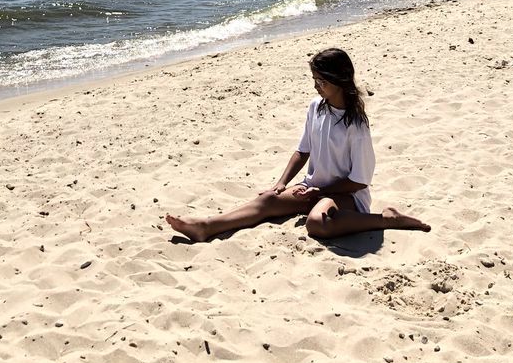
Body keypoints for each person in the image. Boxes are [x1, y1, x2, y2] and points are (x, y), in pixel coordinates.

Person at [165, 46, 430, 243]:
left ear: (339, 81)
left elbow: (359, 181)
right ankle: (206, 226)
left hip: (346, 197)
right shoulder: (316, 107)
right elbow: (302, 151)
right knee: (269, 199)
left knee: (317, 224)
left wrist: (318, 189)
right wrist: (282, 183)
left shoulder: (356, 125)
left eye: (321, 81)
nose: (316, 86)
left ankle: (387, 219)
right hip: (312, 190)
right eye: (315, 80)